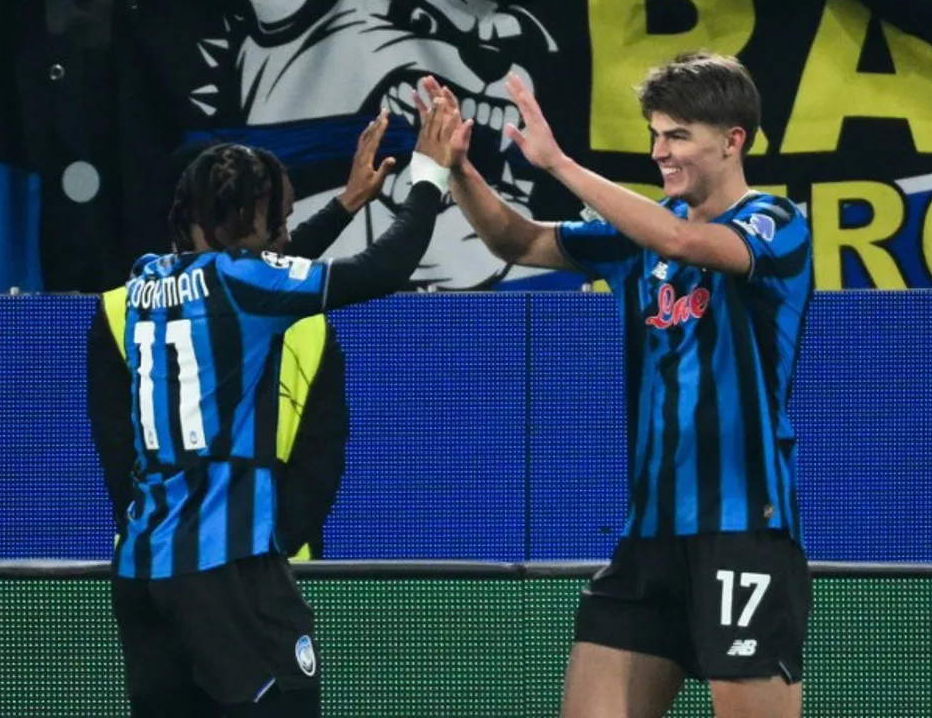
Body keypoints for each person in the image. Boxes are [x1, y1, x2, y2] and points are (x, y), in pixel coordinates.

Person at [418, 50, 813, 718]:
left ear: (733, 140)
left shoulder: (775, 222)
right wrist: (459, 170)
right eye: (655, 134)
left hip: (743, 528)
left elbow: (692, 246)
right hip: (647, 539)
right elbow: (518, 243)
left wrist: (559, 164)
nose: (660, 151)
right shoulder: (638, 236)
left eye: (678, 135)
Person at [87, 100, 468, 718]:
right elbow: (385, 267)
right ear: (243, 225)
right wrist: (427, 174)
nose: (287, 235)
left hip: (141, 577)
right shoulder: (247, 287)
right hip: (227, 572)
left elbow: (262, 270)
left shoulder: (140, 288)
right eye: (278, 222)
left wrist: (346, 203)